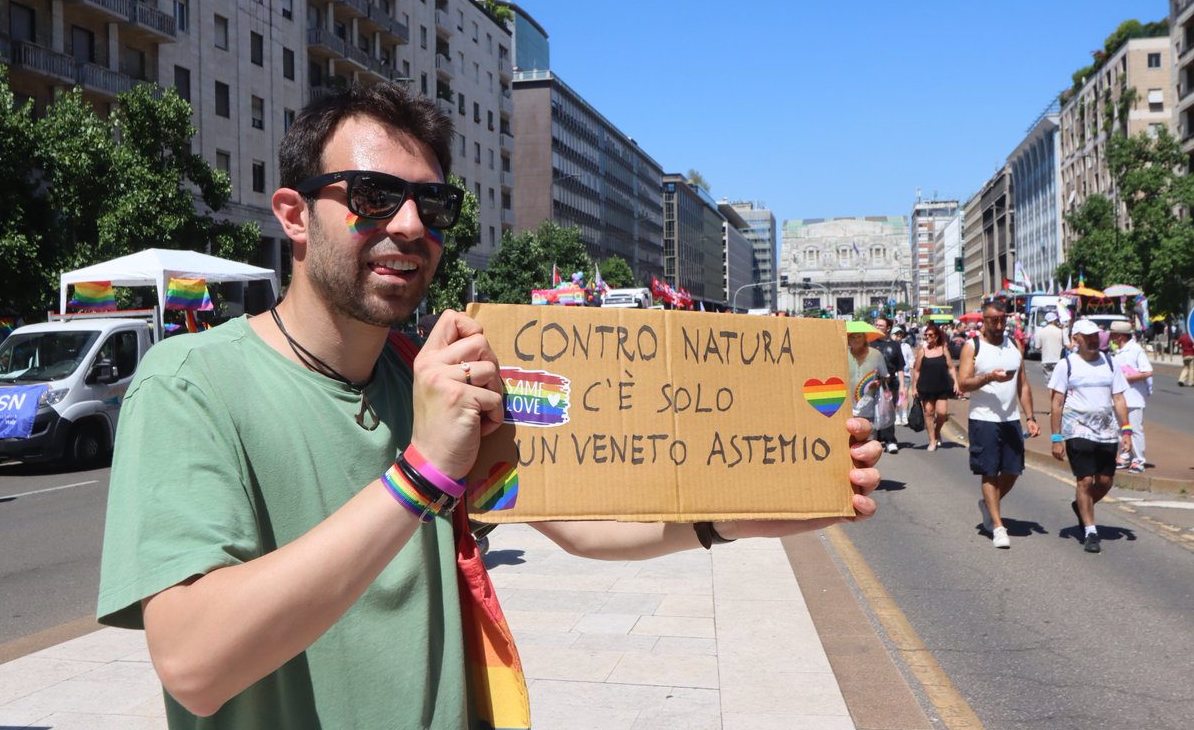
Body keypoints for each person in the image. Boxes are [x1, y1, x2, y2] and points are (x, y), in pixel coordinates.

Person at [96, 83, 882, 728]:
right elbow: (194, 665)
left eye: (432, 205)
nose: (409, 225)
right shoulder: (190, 384)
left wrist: (735, 515)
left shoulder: (430, 376)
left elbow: (576, 522)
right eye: (373, 196)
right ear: (294, 215)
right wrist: (421, 474)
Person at [957, 298, 1040, 549]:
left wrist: (1030, 417)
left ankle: (988, 503)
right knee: (990, 472)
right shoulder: (973, 347)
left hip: (1010, 419)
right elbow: (963, 383)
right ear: (984, 321)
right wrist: (989, 378)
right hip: (984, 419)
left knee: (1013, 471)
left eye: (1003, 320)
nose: (1000, 325)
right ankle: (997, 525)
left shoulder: (1014, 345)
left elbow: (1022, 384)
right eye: (994, 320)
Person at [1048, 319, 1131, 554]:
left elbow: (1119, 398)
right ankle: (1090, 531)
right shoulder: (1066, 365)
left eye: (1096, 336)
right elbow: (1056, 403)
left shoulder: (1110, 362)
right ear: (1076, 339)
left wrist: (1126, 430)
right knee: (1084, 481)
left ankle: (1082, 505)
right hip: (1077, 429)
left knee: (1105, 481)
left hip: (1106, 431)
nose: (1094, 340)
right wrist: (1056, 438)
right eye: (1088, 337)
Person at [1109, 320, 1152, 473]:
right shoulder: (1118, 351)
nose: (1110, 337)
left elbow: (1147, 371)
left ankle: (1139, 460)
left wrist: (1126, 378)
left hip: (1134, 397)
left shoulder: (1135, 350)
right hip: (1119, 398)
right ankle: (1125, 456)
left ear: (1120, 336)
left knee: (1135, 429)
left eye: (1113, 334)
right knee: (1120, 428)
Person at [911, 322, 959, 452]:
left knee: (942, 413)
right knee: (928, 413)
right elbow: (917, 371)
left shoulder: (943, 350)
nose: (928, 337)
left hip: (942, 386)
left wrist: (956, 382)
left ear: (937, 336)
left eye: (930, 335)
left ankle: (937, 432)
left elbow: (951, 367)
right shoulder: (922, 351)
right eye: (926, 335)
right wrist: (914, 387)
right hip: (926, 386)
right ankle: (932, 440)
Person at [870, 316, 905, 454]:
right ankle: (876, 439)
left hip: (890, 383)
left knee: (888, 411)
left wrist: (902, 386)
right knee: (873, 411)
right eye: (876, 325)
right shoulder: (870, 343)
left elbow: (900, 367)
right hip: (873, 382)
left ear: (888, 328)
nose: (878, 327)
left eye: (881, 325)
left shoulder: (895, 345)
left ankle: (890, 440)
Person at [848, 327, 889, 430]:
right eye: (853, 337)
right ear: (848, 339)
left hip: (869, 405)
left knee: (868, 434)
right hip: (846, 405)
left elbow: (886, 377)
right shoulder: (843, 354)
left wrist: (878, 382)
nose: (856, 340)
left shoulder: (876, 354)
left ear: (864, 338)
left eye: (859, 336)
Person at [1035, 311, 1066, 382]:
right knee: (1058, 382)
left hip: (1046, 360)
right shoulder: (1061, 331)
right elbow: (1067, 345)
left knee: (1049, 382)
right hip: (1058, 361)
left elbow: (1037, 347)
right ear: (1053, 321)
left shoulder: (1040, 331)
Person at [892, 326, 913, 425]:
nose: (898, 336)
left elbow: (911, 359)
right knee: (895, 396)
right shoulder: (890, 346)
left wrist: (910, 365)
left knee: (904, 395)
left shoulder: (906, 346)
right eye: (896, 334)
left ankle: (904, 416)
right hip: (893, 374)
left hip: (905, 374)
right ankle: (897, 416)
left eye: (900, 334)